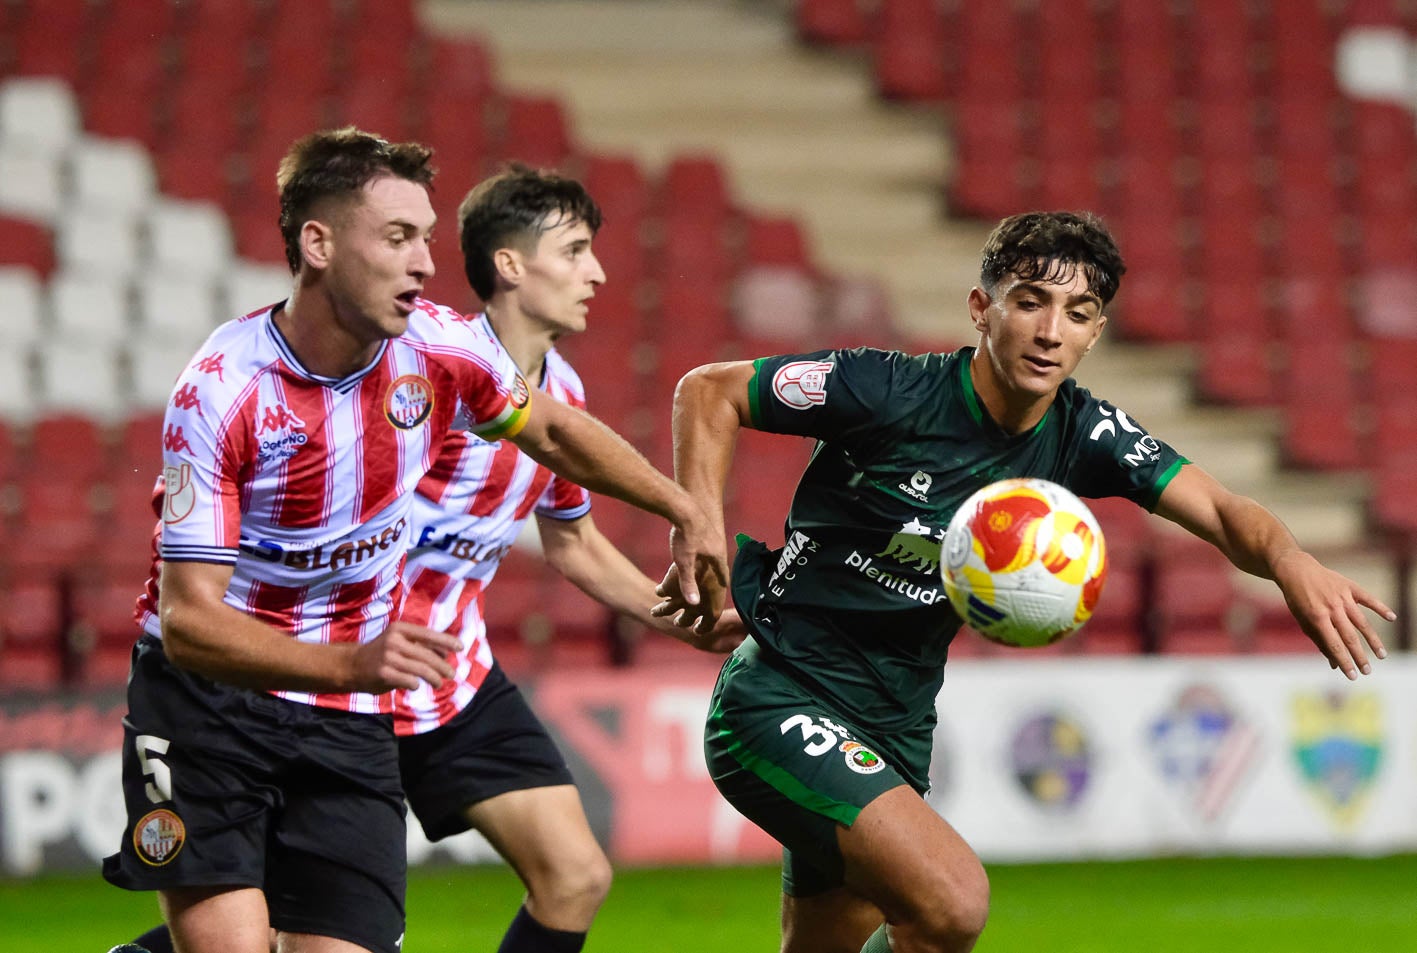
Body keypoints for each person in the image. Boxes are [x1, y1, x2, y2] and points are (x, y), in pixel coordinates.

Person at [651, 211, 1395, 953]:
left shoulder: (1085, 433)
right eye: (1030, 300)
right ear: (982, 308)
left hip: (893, 724)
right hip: (781, 694)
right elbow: (710, 391)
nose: (1050, 332)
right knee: (951, 903)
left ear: (1094, 333)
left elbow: (1225, 511)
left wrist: (1291, 559)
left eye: (1077, 313)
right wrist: (699, 521)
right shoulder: (886, 390)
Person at [101, 128, 726, 953]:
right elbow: (189, 622)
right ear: (318, 244)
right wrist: (355, 662)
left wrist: (680, 506)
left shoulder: (440, 351)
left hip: (356, 706)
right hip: (214, 699)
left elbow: (556, 435)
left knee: (566, 874)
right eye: (398, 237)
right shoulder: (223, 390)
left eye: (426, 237)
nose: (427, 262)